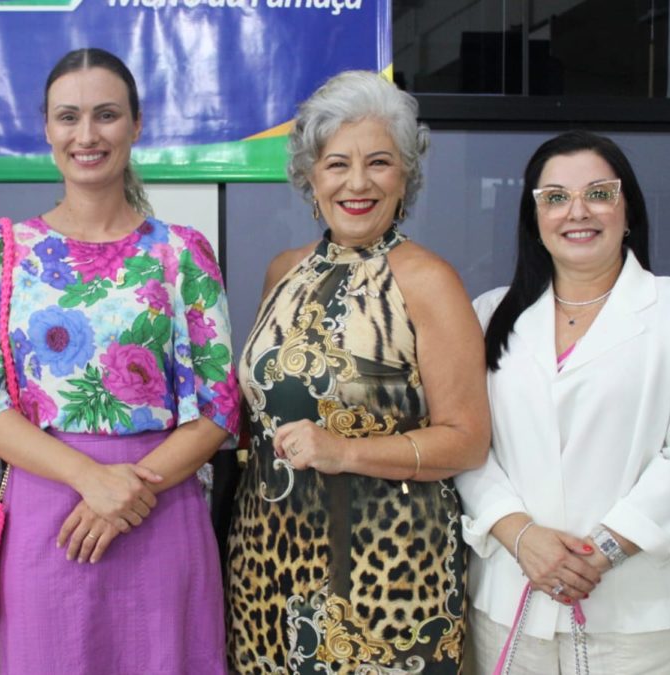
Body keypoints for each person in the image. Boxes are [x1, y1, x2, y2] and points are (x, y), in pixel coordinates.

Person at [0, 47, 239, 674]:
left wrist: (131, 489)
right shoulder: (1, 251)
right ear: (47, 128)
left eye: (106, 115)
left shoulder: (183, 253)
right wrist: (92, 480)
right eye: (69, 117)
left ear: (136, 125)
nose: (87, 135)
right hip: (47, 510)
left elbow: (220, 406)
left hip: (161, 508)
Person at [225, 70, 491, 674]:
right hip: (265, 561)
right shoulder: (281, 271)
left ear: (405, 177)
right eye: (337, 163)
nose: (357, 182)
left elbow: (467, 439)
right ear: (311, 177)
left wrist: (344, 451)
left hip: (387, 571)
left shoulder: (431, 282)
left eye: (379, 162)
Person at [457, 130, 670, 674]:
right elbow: (466, 442)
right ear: (534, 218)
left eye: (599, 193)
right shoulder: (489, 315)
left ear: (626, 208)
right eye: (555, 197)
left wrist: (598, 552)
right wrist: (521, 536)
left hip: (646, 617)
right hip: (514, 599)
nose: (576, 211)